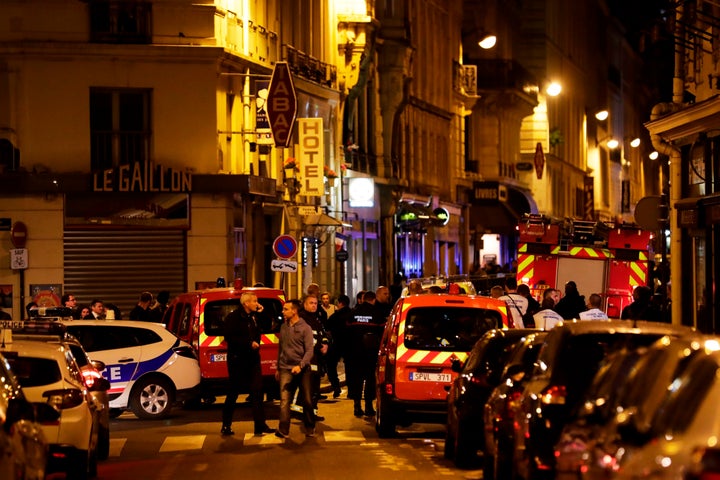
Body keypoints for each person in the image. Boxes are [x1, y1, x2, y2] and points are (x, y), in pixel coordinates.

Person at [220, 292, 274, 436]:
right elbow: (229, 337)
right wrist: (248, 344)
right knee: (233, 393)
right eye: (254, 301)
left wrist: (263, 314)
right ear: (246, 303)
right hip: (238, 360)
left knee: (257, 392)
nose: (257, 303)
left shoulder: (255, 316)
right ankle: (226, 425)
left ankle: (260, 425)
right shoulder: (233, 317)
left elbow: (267, 326)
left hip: (253, 359)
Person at [275, 299, 316, 439]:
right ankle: (283, 429)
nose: (283, 312)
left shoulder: (306, 328)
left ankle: (310, 426)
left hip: (302, 369)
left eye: (286, 309)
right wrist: (278, 368)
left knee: (307, 399)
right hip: (286, 368)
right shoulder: (283, 327)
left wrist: (301, 365)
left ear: (294, 311)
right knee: (285, 400)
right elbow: (281, 348)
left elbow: (309, 351)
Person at [346, 290, 385, 418]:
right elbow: (382, 334)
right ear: (373, 300)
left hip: (355, 352)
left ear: (363, 299)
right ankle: (368, 406)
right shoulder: (377, 314)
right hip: (371, 353)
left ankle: (357, 406)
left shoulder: (353, 313)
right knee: (370, 379)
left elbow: (347, 331)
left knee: (356, 379)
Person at [298, 294, 330, 419]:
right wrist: (319, 347)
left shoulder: (316, 318)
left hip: (317, 358)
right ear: (304, 304)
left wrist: (326, 343)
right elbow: (305, 339)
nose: (314, 305)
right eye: (311, 303)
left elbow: (322, 333)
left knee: (315, 388)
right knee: (309, 388)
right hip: (308, 358)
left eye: (316, 303)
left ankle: (313, 412)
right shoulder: (302, 319)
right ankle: (306, 414)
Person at [325, 294, 352, 398]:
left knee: (331, 365)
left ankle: (336, 386)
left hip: (337, 343)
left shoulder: (335, 316)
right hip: (350, 344)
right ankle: (351, 391)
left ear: (340, 303)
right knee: (349, 368)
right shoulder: (352, 314)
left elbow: (327, 328)